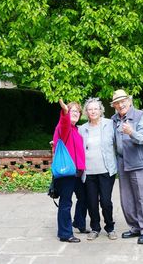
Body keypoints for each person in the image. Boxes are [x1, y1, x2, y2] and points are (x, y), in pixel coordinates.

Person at [110, 89, 143, 245]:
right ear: (114, 105)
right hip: (123, 162)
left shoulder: (140, 116)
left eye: (123, 101)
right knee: (127, 198)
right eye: (117, 103)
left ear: (129, 101)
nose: (120, 105)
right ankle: (135, 227)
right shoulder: (114, 119)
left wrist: (131, 132)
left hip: (140, 163)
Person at [78, 98, 117, 241]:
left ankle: (110, 227)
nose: (93, 111)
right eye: (90, 109)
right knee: (92, 202)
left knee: (106, 201)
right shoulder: (82, 129)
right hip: (88, 173)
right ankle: (95, 228)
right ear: (86, 112)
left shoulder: (110, 124)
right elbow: (74, 145)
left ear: (101, 110)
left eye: (96, 109)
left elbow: (120, 142)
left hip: (106, 171)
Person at [52, 99, 89, 243]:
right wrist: (65, 113)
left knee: (84, 197)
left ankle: (79, 223)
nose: (76, 114)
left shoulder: (77, 130)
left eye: (78, 112)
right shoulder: (64, 127)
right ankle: (65, 233)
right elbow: (64, 123)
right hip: (66, 172)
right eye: (72, 111)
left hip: (78, 172)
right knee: (66, 203)